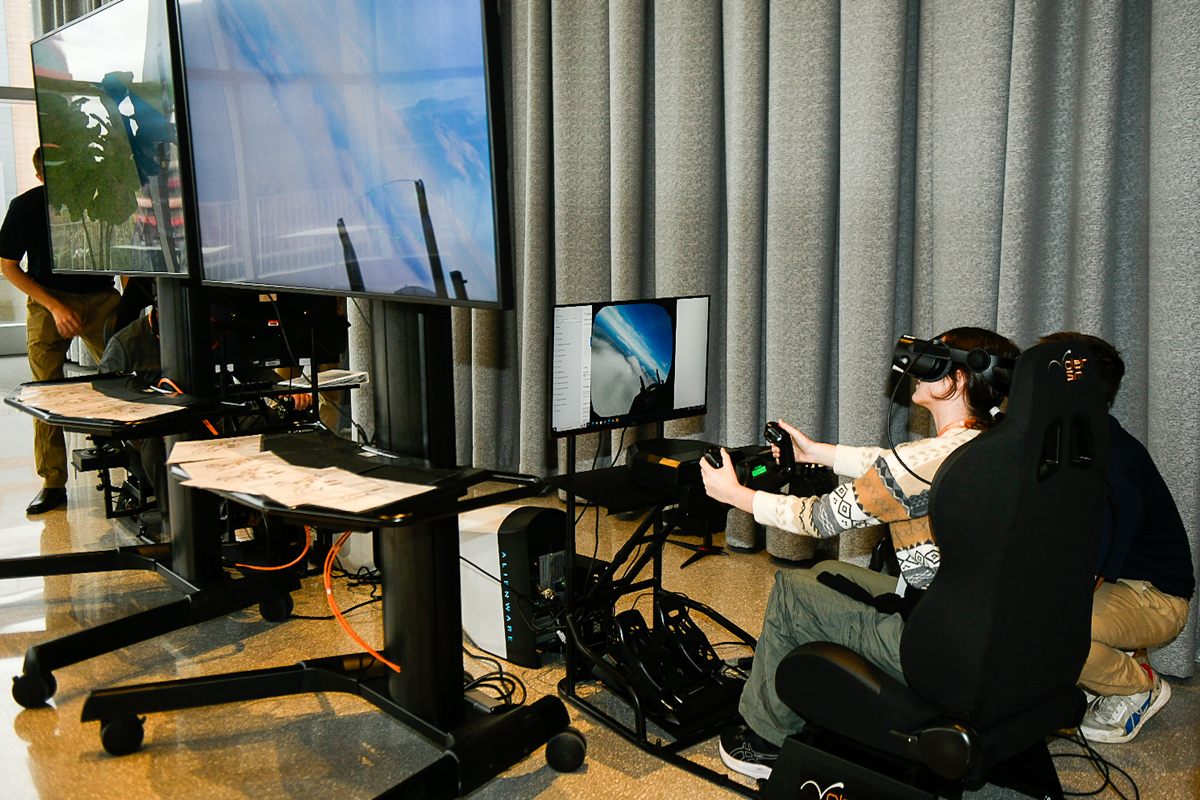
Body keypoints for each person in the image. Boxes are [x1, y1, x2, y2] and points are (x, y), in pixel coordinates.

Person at [699, 327, 1020, 780]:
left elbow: (819, 520)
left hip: (937, 649)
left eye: (931, 359)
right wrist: (819, 453)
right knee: (830, 571)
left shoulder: (921, 463)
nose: (915, 367)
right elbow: (899, 464)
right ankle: (816, 695)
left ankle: (762, 740)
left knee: (793, 590)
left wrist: (736, 495)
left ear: (958, 379)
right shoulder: (1002, 440)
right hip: (993, 635)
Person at [1038, 332, 1194, 744]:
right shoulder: (1064, 440)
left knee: (1048, 629)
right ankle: (1112, 651)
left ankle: (1140, 687)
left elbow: (1086, 570)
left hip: (1156, 597)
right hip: (1119, 581)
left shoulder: (1114, 466)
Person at [0, 146, 121, 514]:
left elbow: (125, 253)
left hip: (99, 296)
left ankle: (141, 465)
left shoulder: (99, 202)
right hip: (48, 298)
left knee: (130, 378)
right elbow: (8, 265)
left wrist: (127, 302)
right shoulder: (25, 207)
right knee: (44, 392)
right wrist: (54, 306)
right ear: (41, 177)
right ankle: (53, 482)